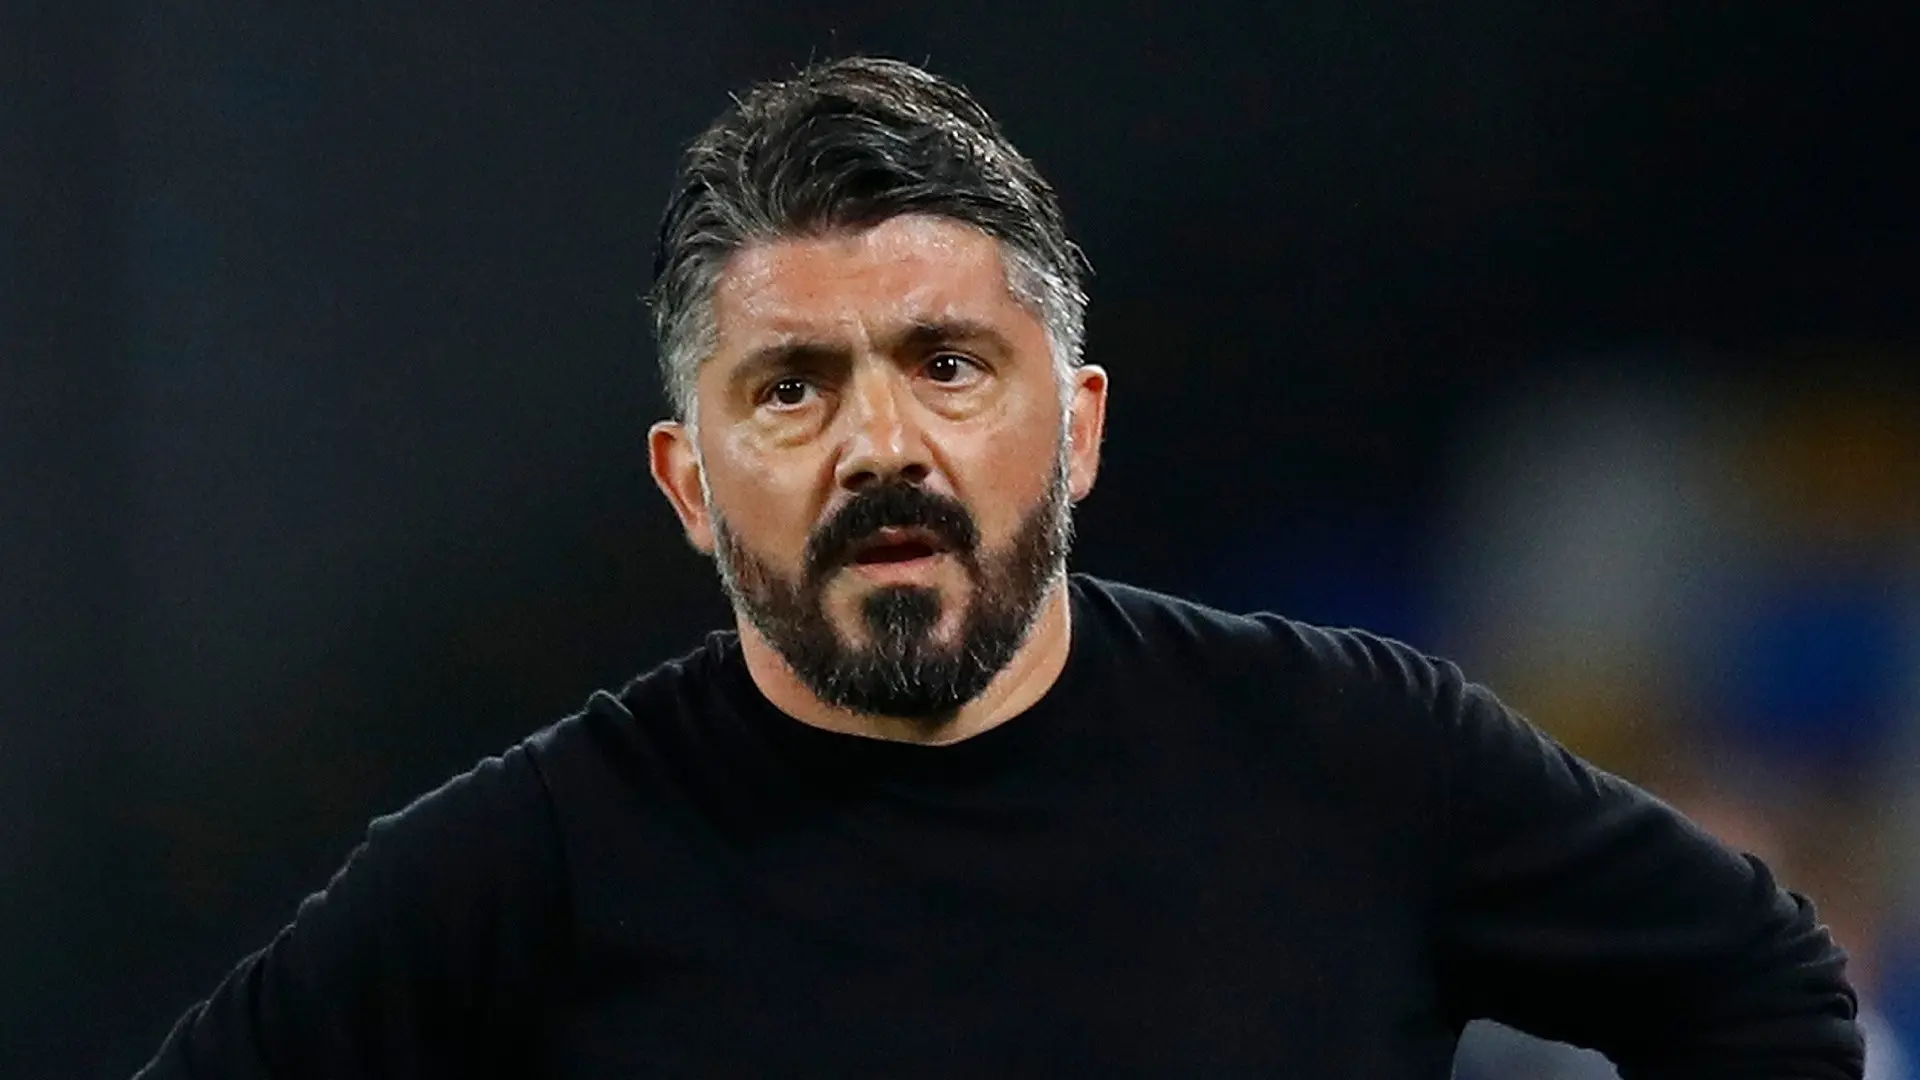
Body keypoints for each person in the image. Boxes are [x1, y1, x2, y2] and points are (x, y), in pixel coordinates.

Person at [137, 56, 1865, 1078]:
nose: (882, 444)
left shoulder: (1343, 750)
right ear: (687, 483)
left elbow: (1763, 993)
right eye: (792, 387)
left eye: (949, 365)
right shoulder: (531, 871)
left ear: (1082, 425)